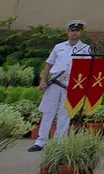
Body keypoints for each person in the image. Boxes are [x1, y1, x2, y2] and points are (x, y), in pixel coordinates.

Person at [31, 21, 91, 150]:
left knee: (65, 113)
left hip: (71, 83)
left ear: (81, 32)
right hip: (55, 82)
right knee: (48, 111)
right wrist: (43, 81)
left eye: (77, 30)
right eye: (72, 30)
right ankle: (41, 141)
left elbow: (87, 69)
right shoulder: (59, 47)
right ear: (68, 32)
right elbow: (49, 65)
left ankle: (59, 143)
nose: (74, 33)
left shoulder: (85, 49)